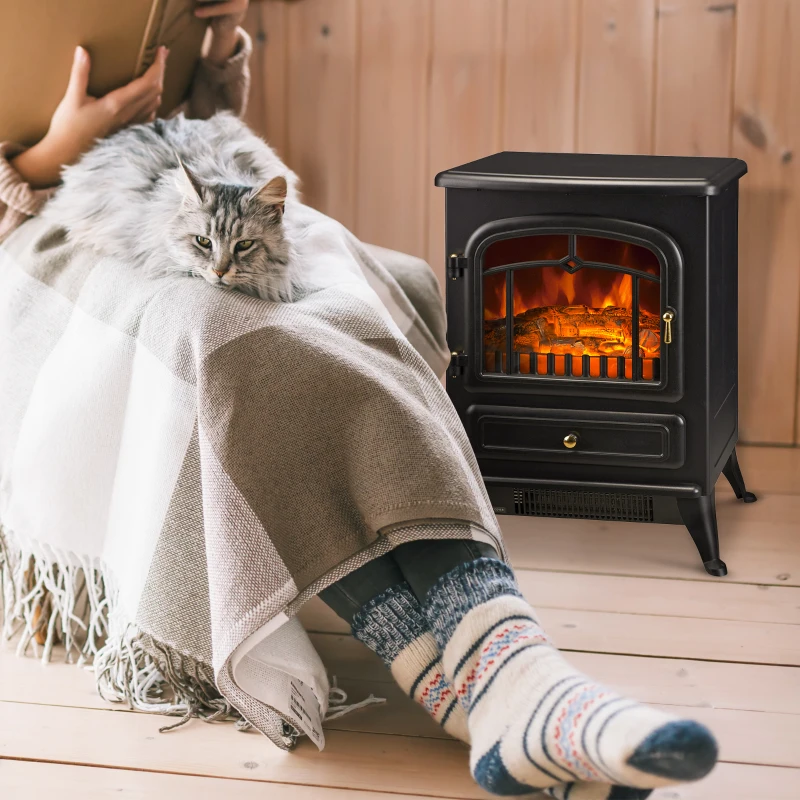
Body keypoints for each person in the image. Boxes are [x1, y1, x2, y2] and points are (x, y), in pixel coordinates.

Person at [0, 4, 717, 796]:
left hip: (192, 180)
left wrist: (220, 35)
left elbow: (217, 114)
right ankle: (516, 682)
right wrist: (48, 152)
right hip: (51, 217)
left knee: (350, 310)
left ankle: (498, 697)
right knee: (227, 341)